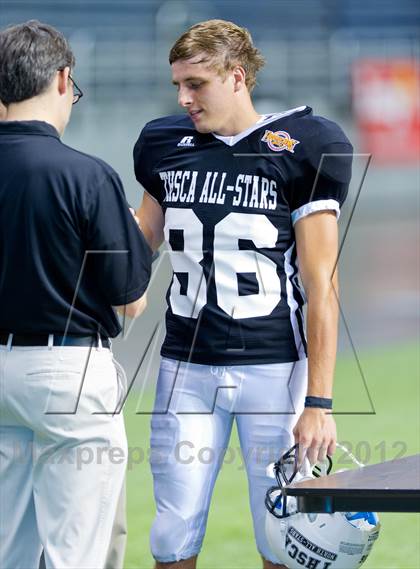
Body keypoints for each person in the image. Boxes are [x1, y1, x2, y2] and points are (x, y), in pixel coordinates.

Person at [134, 19, 352, 569]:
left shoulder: (304, 145)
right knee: (171, 533)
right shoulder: (164, 144)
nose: (184, 98)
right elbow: (140, 246)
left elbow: (321, 282)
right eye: (178, 85)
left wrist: (319, 403)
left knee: (282, 534)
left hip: (273, 368)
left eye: (197, 84)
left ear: (237, 77)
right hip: (184, 364)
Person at [0, 20, 151, 569]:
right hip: (66, 368)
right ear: (63, 80)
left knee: (8, 551)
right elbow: (129, 297)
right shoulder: (86, 174)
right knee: (79, 553)